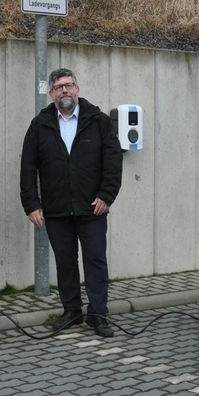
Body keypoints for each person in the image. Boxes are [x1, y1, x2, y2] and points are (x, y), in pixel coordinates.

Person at [20, 68, 123, 337]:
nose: (64, 90)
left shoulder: (98, 121)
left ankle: (98, 314)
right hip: (56, 209)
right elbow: (28, 167)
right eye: (59, 87)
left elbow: (113, 162)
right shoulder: (39, 125)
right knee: (65, 262)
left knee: (95, 261)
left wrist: (106, 195)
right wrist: (32, 204)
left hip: (92, 207)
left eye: (69, 85)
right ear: (51, 93)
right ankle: (72, 311)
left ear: (77, 88)